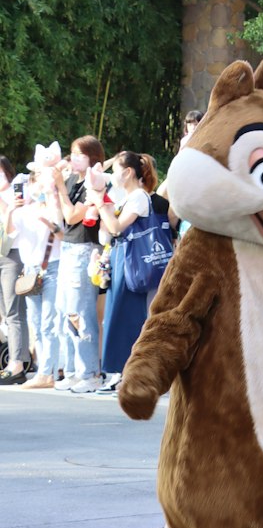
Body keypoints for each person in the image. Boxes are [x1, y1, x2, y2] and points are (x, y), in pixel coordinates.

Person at [91, 151, 165, 394]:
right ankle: (118, 372)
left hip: (133, 263)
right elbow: (107, 233)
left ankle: (131, 374)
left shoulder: (139, 198)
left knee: (128, 318)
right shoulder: (126, 198)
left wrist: (101, 203)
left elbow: (116, 227)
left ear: (128, 172)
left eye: (116, 171)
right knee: (115, 316)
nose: (113, 176)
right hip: (121, 260)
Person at [50, 136, 105, 392]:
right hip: (68, 247)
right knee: (64, 311)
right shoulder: (72, 181)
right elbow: (61, 217)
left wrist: (61, 189)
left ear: (93, 157)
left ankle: (90, 372)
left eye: (78, 153)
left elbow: (74, 215)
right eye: (71, 152)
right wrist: (56, 186)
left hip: (85, 249)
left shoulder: (94, 184)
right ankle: (72, 370)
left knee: (80, 312)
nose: (73, 157)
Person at [10, 171, 64, 388]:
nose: (38, 189)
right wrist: (12, 208)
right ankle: (45, 369)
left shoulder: (55, 207)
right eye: (35, 184)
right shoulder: (23, 212)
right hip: (31, 270)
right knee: (36, 322)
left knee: (49, 321)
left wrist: (50, 223)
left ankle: (47, 373)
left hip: (53, 266)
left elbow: (63, 235)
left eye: (42, 185)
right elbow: (10, 233)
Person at [0, 157, 32, 384]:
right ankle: (17, 359)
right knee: (6, 312)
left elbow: (13, 230)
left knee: (14, 311)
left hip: (13, 255)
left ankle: (17, 363)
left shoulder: (18, 194)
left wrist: (8, 207)